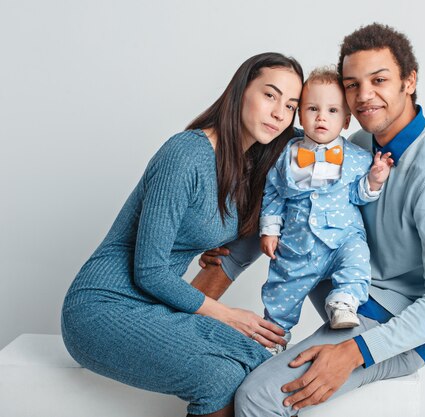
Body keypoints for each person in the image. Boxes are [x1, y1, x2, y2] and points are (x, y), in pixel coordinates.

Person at [198, 23, 425, 416]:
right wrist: (227, 232)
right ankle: (184, 310)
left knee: (256, 396)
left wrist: (357, 351)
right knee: (289, 197)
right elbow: (287, 193)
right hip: (342, 274)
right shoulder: (360, 143)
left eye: (379, 80)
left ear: (409, 81)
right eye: (352, 84)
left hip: (389, 321)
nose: (364, 96)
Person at [60, 52, 303, 417]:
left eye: (291, 105)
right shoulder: (186, 153)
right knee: (223, 374)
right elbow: (149, 271)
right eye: (270, 95)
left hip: (154, 309)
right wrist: (226, 315)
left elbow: (321, 136)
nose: (279, 113)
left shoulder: (248, 166)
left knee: (260, 368)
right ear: (240, 92)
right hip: (101, 310)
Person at [258, 67, 393, 353]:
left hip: (341, 239)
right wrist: (269, 229)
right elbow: (273, 192)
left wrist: (374, 179)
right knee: (282, 289)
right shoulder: (285, 155)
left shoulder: (358, 158)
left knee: (357, 259)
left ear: (345, 121)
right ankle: (272, 338)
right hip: (297, 244)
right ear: (300, 115)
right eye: (313, 109)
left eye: (332, 110)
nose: (321, 117)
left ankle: (343, 301)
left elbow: (359, 196)